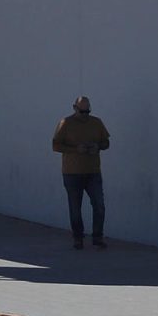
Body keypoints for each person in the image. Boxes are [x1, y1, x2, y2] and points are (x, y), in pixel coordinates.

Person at [52, 96, 110, 250]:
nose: (85, 114)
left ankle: (97, 236)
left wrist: (97, 146)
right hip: (72, 172)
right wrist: (75, 150)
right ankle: (78, 237)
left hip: (93, 172)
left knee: (99, 205)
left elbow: (106, 142)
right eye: (82, 111)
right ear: (74, 108)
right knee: (75, 207)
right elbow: (56, 145)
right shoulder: (65, 123)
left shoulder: (96, 123)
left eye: (87, 111)